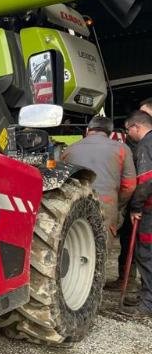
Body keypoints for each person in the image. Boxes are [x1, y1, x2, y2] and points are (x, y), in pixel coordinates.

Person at [61, 115, 136, 248]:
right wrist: (118, 205)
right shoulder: (122, 149)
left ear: (88, 130)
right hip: (106, 205)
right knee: (101, 252)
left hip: (74, 206)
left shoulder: (69, 149)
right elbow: (129, 186)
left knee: (76, 248)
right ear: (111, 133)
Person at [123, 110, 152, 317]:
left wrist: (136, 207)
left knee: (146, 254)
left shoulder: (145, 145)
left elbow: (146, 179)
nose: (127, 134)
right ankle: (146, 296)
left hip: (149, 210)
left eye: (128, 130)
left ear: (137, 127)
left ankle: (148, 303)